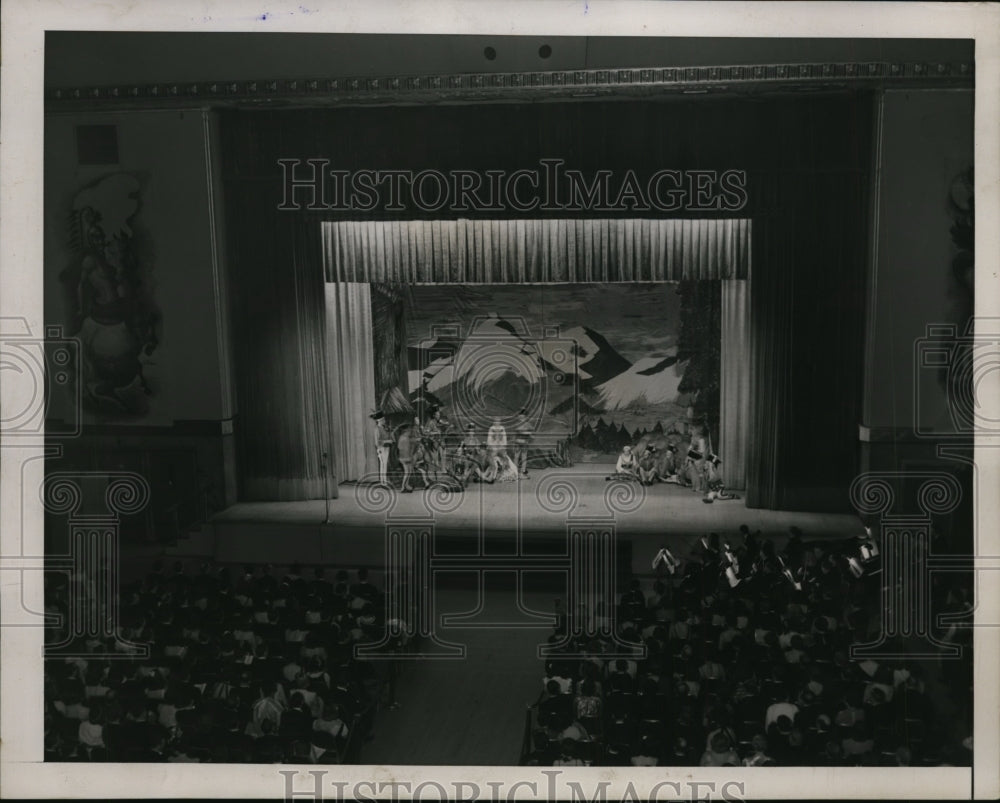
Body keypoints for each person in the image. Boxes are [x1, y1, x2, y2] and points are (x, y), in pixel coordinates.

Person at [370, 411, 393, 486]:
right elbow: (377, 442)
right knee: (383, 464)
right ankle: (383, 482)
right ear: (379, 420)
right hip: (381, 448)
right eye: (383, 420)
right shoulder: (377, 429)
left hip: (386, 447)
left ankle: (384, 481)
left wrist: (390, 439)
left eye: (384, 419)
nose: (384, 421)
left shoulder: (384, 428)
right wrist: (387, 441)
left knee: (384, 465)